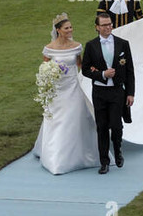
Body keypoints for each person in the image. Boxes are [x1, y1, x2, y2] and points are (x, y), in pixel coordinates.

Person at [34, 13, 100, 175]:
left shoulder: (76, 46)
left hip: (73, 87)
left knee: (76, 117)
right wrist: (50, 75)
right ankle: (56, 159)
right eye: (67, 28)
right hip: (57, 90)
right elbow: (44, 68)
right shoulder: (49, 49)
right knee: (58, 120)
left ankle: (82, 155)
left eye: (71, 27)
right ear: (58, 30)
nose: (70, 30)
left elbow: (80, 65)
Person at [81, 13, 135, 173]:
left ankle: (118, 150)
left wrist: (131, 92)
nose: (108, 27)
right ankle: (104, 161)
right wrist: (102, 74)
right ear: (97, 27)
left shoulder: (122, 44)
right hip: (99, 92)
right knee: (102, 127)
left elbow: (130, 70)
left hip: (117, 91)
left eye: (110, 24)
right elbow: (85, 69)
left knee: (116, 126)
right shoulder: (91, 45)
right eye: (104, 25)